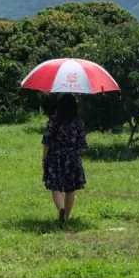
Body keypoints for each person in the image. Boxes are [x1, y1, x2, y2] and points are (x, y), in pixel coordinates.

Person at [42, 93, 88, 224]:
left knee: (55, 186)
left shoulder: (54, 120)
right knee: (70, 188)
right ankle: (66, 217)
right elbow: (81, 143)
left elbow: (47, 141)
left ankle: (60, 209)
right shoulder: (78, 122)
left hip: (55, 157)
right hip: (72, 157)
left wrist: (44, 159)